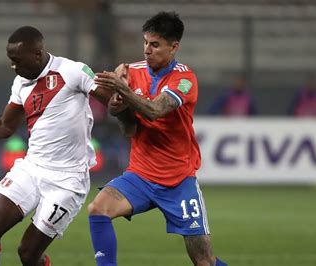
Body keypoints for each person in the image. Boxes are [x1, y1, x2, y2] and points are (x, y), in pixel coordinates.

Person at [0, 26, 109, 266]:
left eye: (17, 61)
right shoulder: (21, 83)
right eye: (11, 61)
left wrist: (122, 94)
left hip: (67, 180)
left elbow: (111, 100)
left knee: (28, 253)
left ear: (37, 54)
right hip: (32, 168)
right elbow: (5, 126)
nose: (14, 67)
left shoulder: (72, 71)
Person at [87, 12, 226, 266]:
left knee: (203, 260)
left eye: (155, 44)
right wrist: (118, 106)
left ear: (174, 47)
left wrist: (122, 91)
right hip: (141, 175)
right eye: (145, 43)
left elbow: (155, 110)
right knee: (98, 209)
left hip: (178, 180)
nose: (147, 50)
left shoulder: (185, 80)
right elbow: (129, 129)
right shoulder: (131, 72)